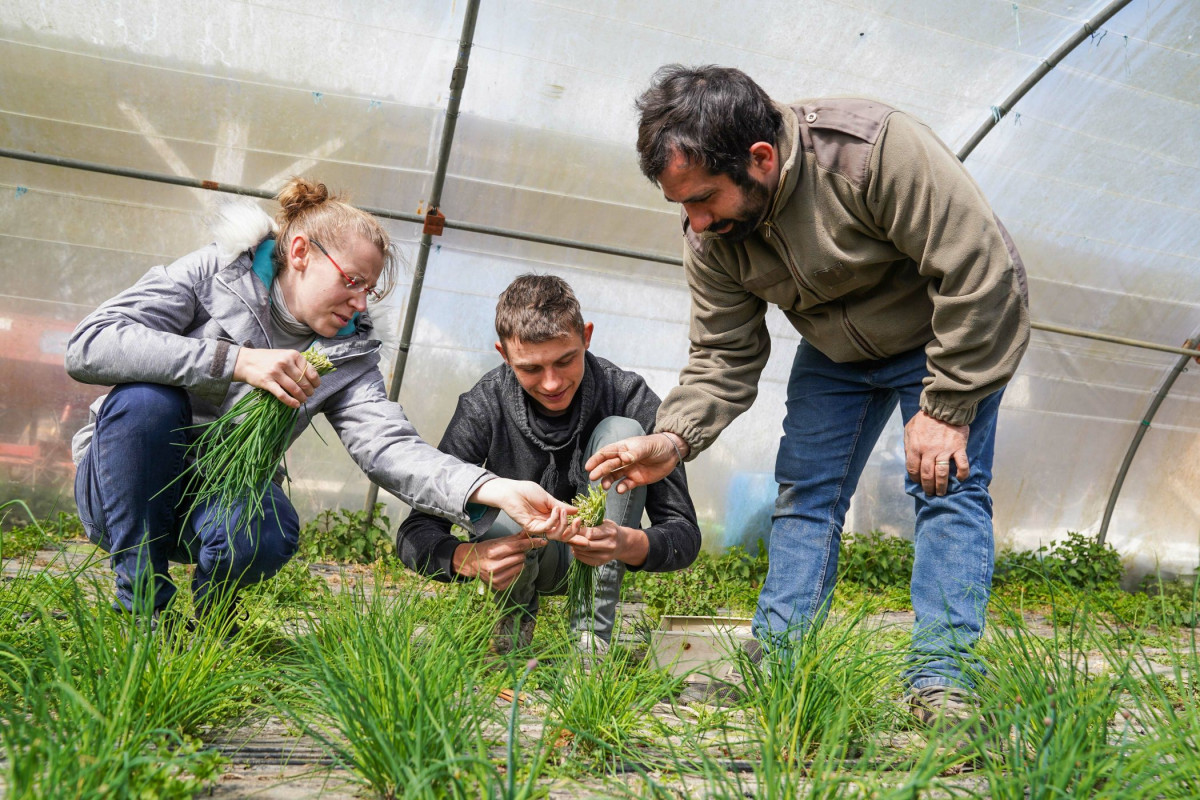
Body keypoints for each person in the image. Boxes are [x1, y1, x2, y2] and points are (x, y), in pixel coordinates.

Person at [586, 65, 1030, 723]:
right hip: (836, 351)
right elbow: (722, 355)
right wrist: (673, 436)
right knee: (805, 494)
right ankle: (782, 664)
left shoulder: (872, 151)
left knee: (946, 488)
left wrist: (948, 405)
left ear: (760, 159)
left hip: (945, 332)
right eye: (681, 204)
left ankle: (942, 680)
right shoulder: (710, 238)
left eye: (704, 198)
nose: (696, 221)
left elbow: (980, 272)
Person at [67, 178, 571, 628]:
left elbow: (388, 448)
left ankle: (214, 613)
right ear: (302, 251)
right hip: (124, 487)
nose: (360, 302)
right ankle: (141, 608)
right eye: (352, 281)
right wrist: (236, 361)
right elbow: (90, 345)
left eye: (369, 290)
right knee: (147, 402)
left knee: (269, 532)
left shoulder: (346, 356)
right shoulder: (212, 274)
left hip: (213, 497)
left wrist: (492, 487)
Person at [397, 274, 700, 654]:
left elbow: (683, 534)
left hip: (601, 555)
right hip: (521, 551)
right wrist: (463, 558)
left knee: (623, 431)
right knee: (498, 507)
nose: (552, 383)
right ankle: (512, 628)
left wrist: (624, 542)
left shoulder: (628, 395)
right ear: (504, 355)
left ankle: (590, 642)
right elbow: (416, 528)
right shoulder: (484, 405)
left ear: (586, 336)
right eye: (531, 369)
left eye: (565, 360)